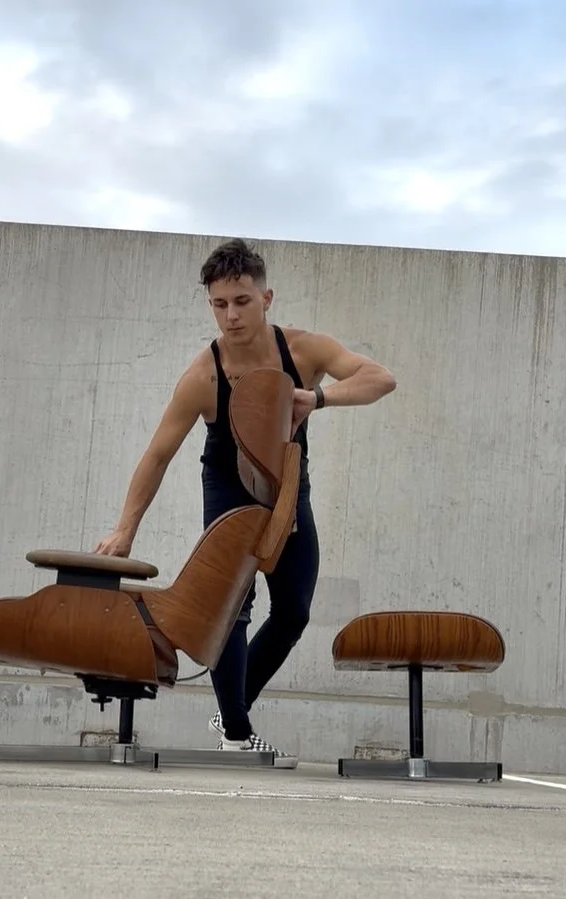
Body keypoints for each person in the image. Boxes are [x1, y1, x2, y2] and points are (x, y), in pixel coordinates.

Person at [95, 237, 396, 759]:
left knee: (294, 611)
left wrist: (316, 397)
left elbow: (380, 379)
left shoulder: (304, 351)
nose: (231, 316)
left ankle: (230, 708)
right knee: (232, 607)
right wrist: (125, 528)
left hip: (286, 489)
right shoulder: (204, 374)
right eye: (219, 304)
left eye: (242, 302)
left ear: (266, 298)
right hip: (227, 487)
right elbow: (158, 454)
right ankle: (236, 730)